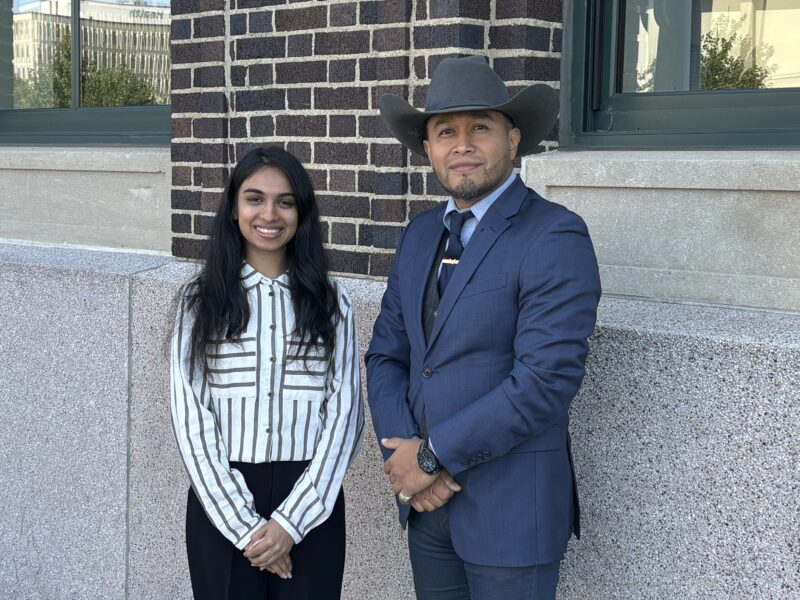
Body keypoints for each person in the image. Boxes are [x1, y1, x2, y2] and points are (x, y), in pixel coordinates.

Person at [365, 56, 602, 599]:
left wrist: (429, 458)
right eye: (446, 131)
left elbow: (545, 381)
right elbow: (386, 356)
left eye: (481, 128)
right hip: (427, 512)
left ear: (513, 140)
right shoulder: (420, 234)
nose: (463, 144)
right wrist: (401, 456)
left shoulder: (554, 236)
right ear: (428, 150)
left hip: (511, 514)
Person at [170, 146, 364, 600]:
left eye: (285, 201)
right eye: (254, 198)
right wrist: (248, 529)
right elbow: (191, 418)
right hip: (221, 502)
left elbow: (345, 417)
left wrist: (289, 524)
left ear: (302, 212)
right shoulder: (200, 302)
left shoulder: (332, 303)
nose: (269, 214)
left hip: (312, 501)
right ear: (234, 209)